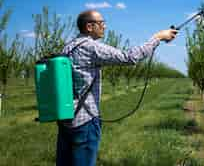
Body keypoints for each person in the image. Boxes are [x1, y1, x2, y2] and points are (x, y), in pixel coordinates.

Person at [56, 10, 178, 166]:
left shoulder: (68, 48)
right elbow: (129, 57)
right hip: (85, 121)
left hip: (66, 117)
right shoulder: (90, 47)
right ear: (89, 26)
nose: (105, 27)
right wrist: (157, 38)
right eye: (101, 23)